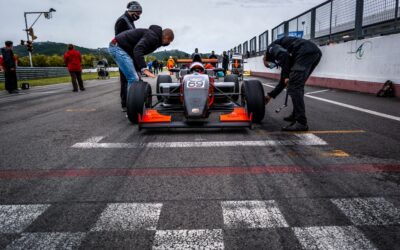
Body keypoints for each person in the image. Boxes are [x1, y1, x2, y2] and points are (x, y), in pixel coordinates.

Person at [264, 36, 322, 132]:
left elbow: (284, 55)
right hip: (314, 52)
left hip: (304, 51)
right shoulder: (283, 59)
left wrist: (287, 76)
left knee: (295, 87)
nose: (271, 66)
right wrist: (270, 95)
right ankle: (295, 115)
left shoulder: (271, 48)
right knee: (298, 85)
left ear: (265, 58)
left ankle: (301, 122)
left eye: (269, 65)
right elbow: (283, 81)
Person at [108, 25, 174, 88]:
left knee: (137, 76)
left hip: (124, 49)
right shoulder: (153, 37)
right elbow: (138, 50)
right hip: (117, 47)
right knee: (133, 78)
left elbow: (135, 52)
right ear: (166, 37)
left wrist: (138, 70)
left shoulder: (155, 38)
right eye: (169, 41)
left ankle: (130, 97)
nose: (168, 43)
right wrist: (144, 69)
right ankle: (133, 99)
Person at [115, 1, 142, 111]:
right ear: (133, 10)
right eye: (138, 13)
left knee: (132, 78)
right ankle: (126, 104)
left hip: (129, 54)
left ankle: (131, 101)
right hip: (124, 54)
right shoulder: (122, 21)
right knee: (126, 80)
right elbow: (121, 40)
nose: (139, 16)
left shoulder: (129, 21)